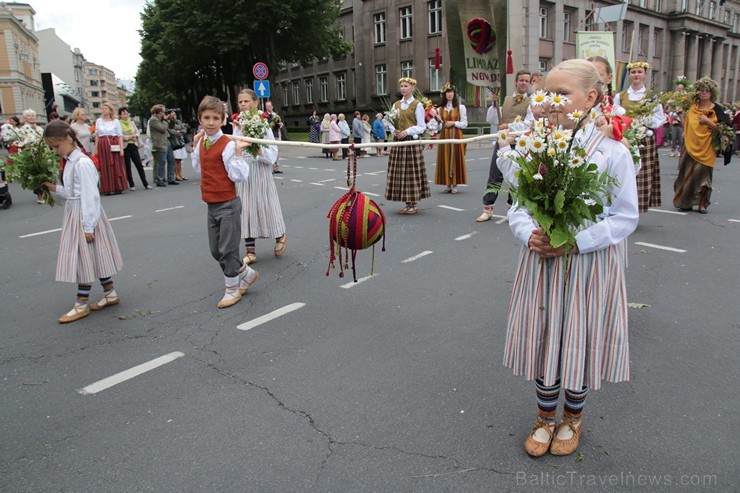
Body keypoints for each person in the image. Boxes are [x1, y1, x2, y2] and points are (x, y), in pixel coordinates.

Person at [499, 59, 638, 458]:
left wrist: (576, 241)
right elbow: (519, 206)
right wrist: (531, 236)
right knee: (547, 335)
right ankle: (544, 417)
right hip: (543, 259)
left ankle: (572, 418)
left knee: (578, 337)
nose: (552, 102)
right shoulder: (536, 147)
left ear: (591, 98)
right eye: (548, 93)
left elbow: (625, 216)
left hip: (589, 264)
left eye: (563, 94)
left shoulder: (613, 153)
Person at [41, 121, 124, 323]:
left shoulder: (82, 163)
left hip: (85, 215)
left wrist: (88, 226)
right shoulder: (71, 161)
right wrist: (51, 187)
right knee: (94, 255)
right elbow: (72, 193)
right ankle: (109, 293)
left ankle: (81, 303)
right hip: (77, 212)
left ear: (68, 139)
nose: (54, 150)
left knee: (83, 258)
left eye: (56, 145)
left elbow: (90, 196)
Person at [191, 95, 259, 308]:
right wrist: (195, 147)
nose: (210, 122)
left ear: (223, 120)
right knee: (216, 250)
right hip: (211, 205)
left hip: (228, 204)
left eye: (215, 118)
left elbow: (239, 176)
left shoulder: (227, 145)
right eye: (206, 118)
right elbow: (198, 168)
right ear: (200, 119)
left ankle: (232, 290)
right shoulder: (201, 141)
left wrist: (238, 153)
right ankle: (246, 273)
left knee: (228, 250)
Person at [232, 89, 286, 266]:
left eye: (246, 101)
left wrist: (258, 148)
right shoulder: (236, 125)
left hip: (261, 171)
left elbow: (272, 154)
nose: (242, 105)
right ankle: (250, 250)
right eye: (240, 102)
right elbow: (234, 148)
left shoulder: (263, 125)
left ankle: (280, 235)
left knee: (266, 206)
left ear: (255, 103)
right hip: (244, 172)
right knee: (245, 209)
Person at [673, 77, 732, 214]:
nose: (704, 93)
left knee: (704, 178)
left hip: (707, 147)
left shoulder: (717, 109)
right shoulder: (693, 109)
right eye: (701, 91)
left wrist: (708, 122)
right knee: (686, 174)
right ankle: (686, 202)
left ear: (712, 93)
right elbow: (686, 126)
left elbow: (725, 129)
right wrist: (681, 115)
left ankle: (702, 203)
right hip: (690, 146)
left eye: (707, 91)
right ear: (697, 93)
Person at [614, 61, 666, 212]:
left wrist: (644, 121)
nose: (636, 75)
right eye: (633, 72)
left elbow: (659, 118)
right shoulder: (621, 96)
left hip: (645, 138)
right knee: (624, 172)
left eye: (639, 72)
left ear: (644, 74)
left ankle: (637, 208)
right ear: (629, 75)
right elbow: (615, 116)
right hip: (626, 137)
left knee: (642, 174)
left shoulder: (651, 96)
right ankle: (622, 208)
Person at [385, 77, 430, 215]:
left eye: (406, 86)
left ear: (412, 88)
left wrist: (407, 131)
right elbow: (390, 122)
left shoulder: (417, 105)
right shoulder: (396, 105)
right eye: (402, 86)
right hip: (399, 142)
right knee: (401, 173)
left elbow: (422, 126)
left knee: (411, 172)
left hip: (411, 143)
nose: (403, 88)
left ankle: (414, 203)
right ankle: (407, 202)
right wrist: (395, 131)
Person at [434, 82, 468, 194]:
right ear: (444, 94)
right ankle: (448, 184)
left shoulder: (460, 107)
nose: (450, 94)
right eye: (448, 92)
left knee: (456, 157)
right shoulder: (440, 109)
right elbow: (438, 127)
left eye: (452, 92)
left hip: (456, 135)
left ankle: (455, 184)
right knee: (445, 158)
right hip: (444, 136)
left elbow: (465, 123)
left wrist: (453, 123)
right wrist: (438, 121)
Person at [94, 103, 128, 195]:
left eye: (105, 108)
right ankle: (107, 188)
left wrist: (121, 149)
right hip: (103, 144)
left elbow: (120, 135)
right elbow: (97, 135)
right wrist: (96, 148)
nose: (104, 110)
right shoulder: (99, 121)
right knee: (105, 166)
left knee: (116, 165)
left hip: (113, 144)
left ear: (110, 110)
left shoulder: (115, 121)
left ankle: (118, 186)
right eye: (103, 108)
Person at [119, 107, 151, 191]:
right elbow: (119, 135)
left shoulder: (131, 123)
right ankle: (131, 184)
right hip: (125, 146)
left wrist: (135, 136)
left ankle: (145, 183)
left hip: (133, 145)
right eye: (123, 114)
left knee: (139, 165)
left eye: (126, 113)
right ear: (120, 115)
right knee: (127, 166)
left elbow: (137, 132)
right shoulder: (118, 123)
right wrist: (129, 137)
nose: (125, 115)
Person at [148, 104, 175, 187]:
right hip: (160, 143)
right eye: (164, 111)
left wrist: (172, 119)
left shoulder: (161, 119)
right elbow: (163, 129)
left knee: (171, 160)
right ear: (159, 112)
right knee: (162, 162)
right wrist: (165, 120)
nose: (165, 113)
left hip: (167, 140)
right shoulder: (153, 120)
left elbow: (171, 127)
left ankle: (171, 178)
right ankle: (159, 180)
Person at [166, 110, 188, 181]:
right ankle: (177, 175)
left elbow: (184, 130)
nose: (174, 116)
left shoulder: (178, 121)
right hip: (174, 142)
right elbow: (171, 131)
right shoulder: (168, 122)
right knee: (176, 159)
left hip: (181, 141)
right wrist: (178, 132)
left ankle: (180, 174)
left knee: (180, 159)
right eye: (173, 115)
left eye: (175, 114)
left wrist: (180, 131)